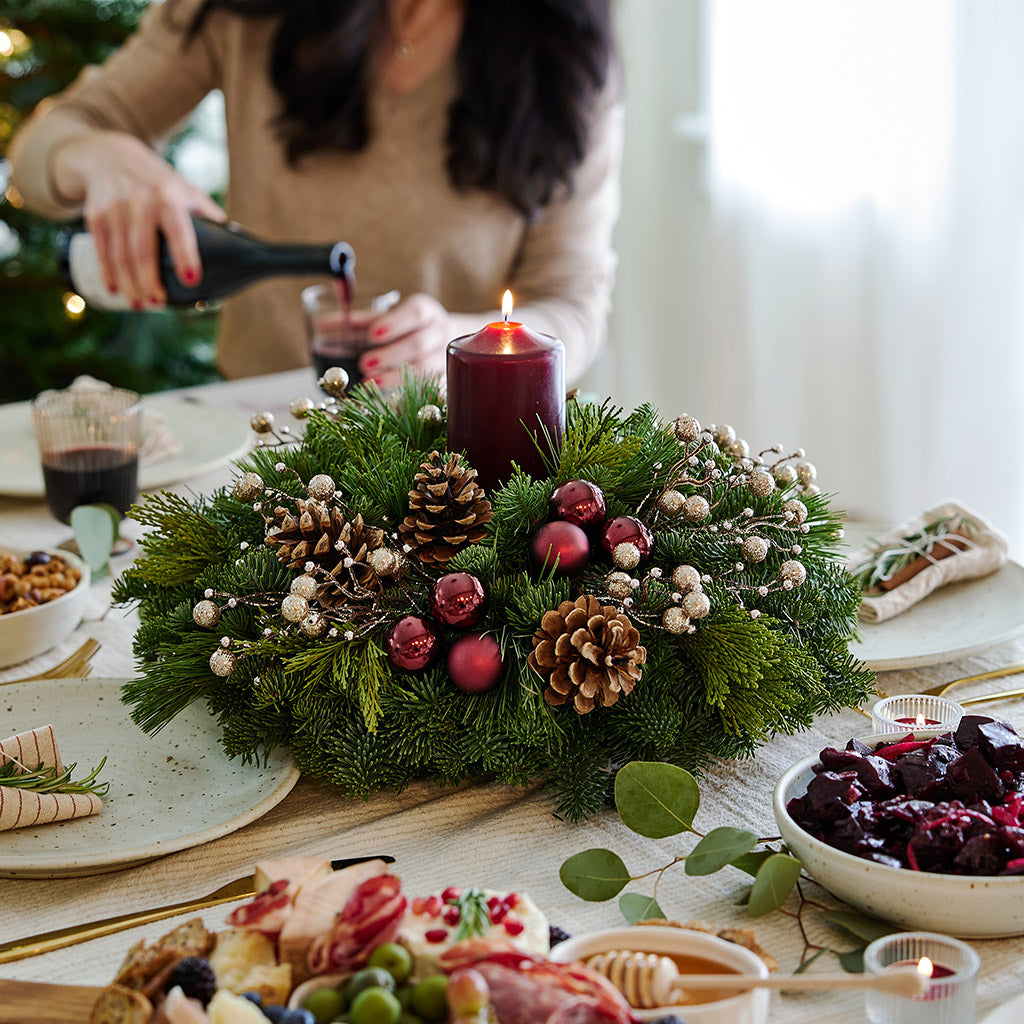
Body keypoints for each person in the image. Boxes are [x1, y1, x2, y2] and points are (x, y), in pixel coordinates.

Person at [10, 0, 622, 388]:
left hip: (462, 458)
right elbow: (39, 150)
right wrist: (94, 155)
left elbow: (572, 307)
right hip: (263, 445)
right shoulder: (243, 15)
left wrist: (465, 345)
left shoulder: (565, 57)